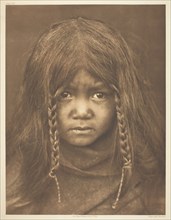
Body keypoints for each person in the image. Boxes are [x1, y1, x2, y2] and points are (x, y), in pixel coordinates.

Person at [6, 17, 165, 215]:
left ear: (122, 101)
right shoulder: (15, 184)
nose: (82, 112)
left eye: (99, 95)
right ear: (40, 99)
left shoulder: (152, 184)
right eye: (65, 95)